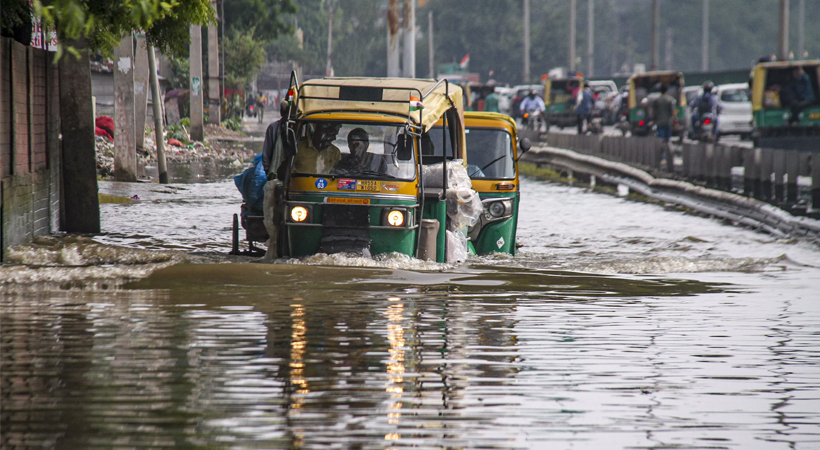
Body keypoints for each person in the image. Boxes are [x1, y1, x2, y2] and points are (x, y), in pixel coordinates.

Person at [261, 100, 290, 260]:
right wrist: (270, 175)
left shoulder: (303, 128)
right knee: (273, 216)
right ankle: (275, 244)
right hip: (276, 179)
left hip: (295, 180)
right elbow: (267, 157)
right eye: (285, 112)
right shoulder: (274, 129)